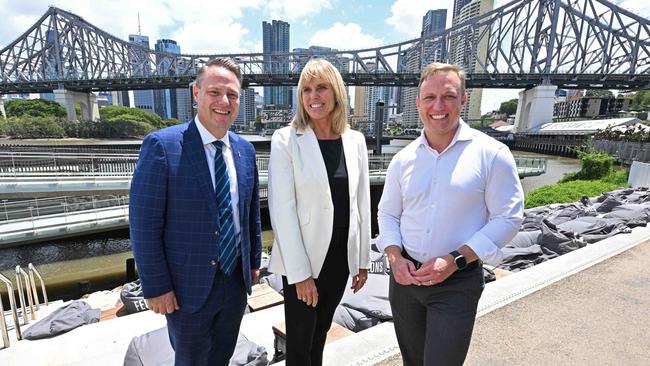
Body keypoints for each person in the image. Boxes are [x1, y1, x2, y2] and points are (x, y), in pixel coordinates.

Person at [377, 62, 524, 366]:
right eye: (429, 98)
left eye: (448, 96)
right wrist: (394, 256)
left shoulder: (492, 153)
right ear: (418, 103)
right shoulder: (403, 160)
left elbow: (509, 217)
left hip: (457, 283)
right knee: (412, 362)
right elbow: (388, 213)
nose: (438, 106)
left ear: (463, 100)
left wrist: (456, 259)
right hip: (406, 282)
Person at [129, 57, 262, 366]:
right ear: (196, 93)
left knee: (223, 356)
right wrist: (157, 286)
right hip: (186, 287)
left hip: (234, 281)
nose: (224, 101)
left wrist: (253, 262)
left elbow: (251, 213)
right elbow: (143, 223)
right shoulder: (163, 146)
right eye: (215, 92)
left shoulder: (246, 150)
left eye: (232, 95)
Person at [267, 58, 371, 366]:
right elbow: (282, 210)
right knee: (300, 343)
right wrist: (300, 275)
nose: (314, 96)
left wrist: (362, 259)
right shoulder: (286, 140)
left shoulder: (355, 141)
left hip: (340, 257)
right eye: (307, 89)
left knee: (321, 332)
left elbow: (361, 203)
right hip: (304, 260)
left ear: (337, 92)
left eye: (321, 87)